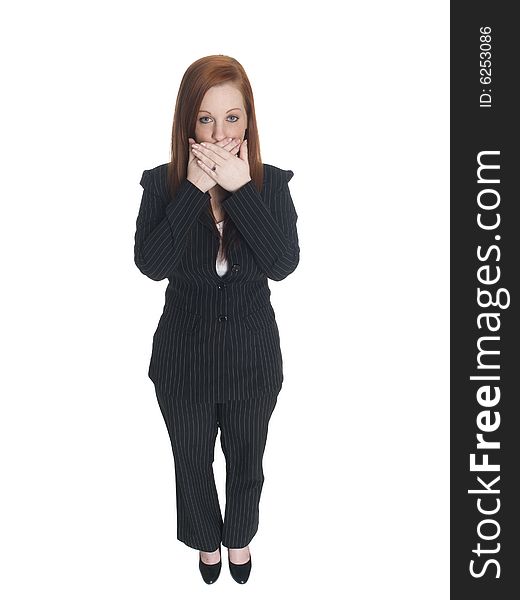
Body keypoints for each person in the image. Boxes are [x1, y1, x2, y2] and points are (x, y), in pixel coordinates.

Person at [133, 55, 300, 585]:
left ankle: (239, 537)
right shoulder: (161, 185)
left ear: (249, 119)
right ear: (187, 123)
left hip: (252, 361)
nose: (220, 130)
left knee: (248, 463)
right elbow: (151, 265)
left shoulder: (271, 185)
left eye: (232, 117)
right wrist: (196, 191)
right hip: (184, 360)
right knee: (192, 462)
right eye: (206, 118)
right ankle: (207, 542)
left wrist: (240, 188)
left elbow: (283, 264)